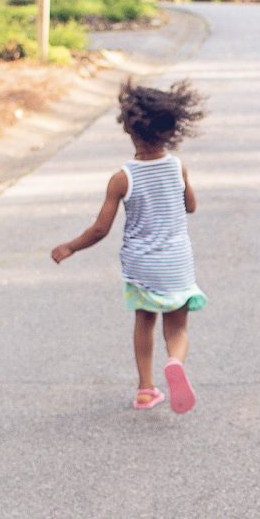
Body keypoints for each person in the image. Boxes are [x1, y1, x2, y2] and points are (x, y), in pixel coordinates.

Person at [51, 79, 208, 413]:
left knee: (144, 320)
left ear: (129, 130)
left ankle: (145, 389)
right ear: (171, 130)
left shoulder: (123, 178)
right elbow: (190, 206)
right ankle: (175, 363)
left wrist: (70, 247)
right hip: (176, 262)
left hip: (141, 266)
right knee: (177, 326)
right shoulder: (177, 166)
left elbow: (99, 230)